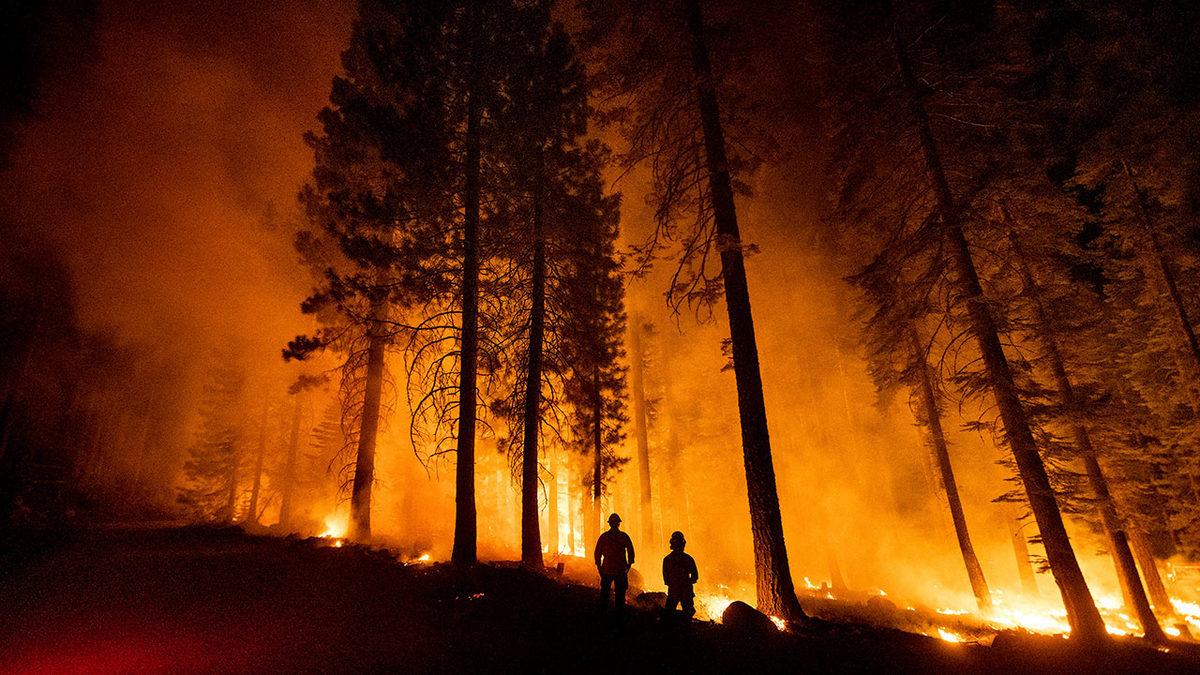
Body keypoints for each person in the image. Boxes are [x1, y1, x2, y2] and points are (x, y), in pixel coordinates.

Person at [594, 513, 635, 616]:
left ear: (610, 524)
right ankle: (619, 616)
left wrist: (599, 567)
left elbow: (597, 553)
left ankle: (603, 615)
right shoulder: (623, 536)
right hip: (620, 570)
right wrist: (628, 566)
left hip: (607, 569)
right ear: (618, 524)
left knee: (605, 594)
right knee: (620, 596)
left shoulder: (604, 536)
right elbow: (631, 552)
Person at [662, 531, 698, 622]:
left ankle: (670, 632)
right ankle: (685, 631)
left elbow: (666, 578)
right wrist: (687, 582)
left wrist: (673, 583)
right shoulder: (688, 559)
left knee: (668, 613)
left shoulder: (667, 559)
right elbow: (695, 576)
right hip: (685, 590)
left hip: (674, 590)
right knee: (687, 612)